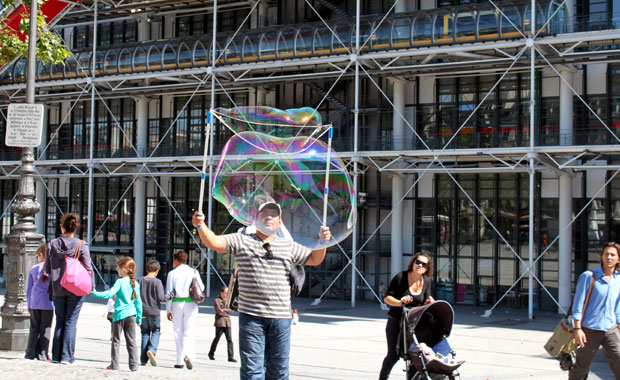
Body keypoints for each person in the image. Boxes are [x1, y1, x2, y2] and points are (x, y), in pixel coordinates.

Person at [192, 201, 331, 380]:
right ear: (256, 219)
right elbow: (214, 242)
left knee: (279, 370)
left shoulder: (287, 245)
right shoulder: (241, 240)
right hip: (251, 317)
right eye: (264, 213)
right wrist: (201, 225)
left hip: (281, 317)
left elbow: (313, 258)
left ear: (280, 222)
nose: (269, 216)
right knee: (251, 371)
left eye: (274, 214)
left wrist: (322, 242)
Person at [45, 213, 93, 364]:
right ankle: (67, 356)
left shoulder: (52, 244)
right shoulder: (81, 244)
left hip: (58, 287)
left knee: (60, 320)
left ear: (61, 226)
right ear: (76, 227)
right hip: (76, 287)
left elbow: (47, 268)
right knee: (71, 321)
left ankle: (56, 356)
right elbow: (88, 267)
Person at [379, 253, 435, 380]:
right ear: (413, 263)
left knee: (414, 355)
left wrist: (430, 301)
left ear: (427, 268)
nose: (419, 265)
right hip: (396, 320)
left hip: (413, 324)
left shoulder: (425, 281)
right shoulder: (401, 277)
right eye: (417, 262)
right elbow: (387, 298)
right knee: (393, 355)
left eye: (423, 264)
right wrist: (400, 302)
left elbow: (426, 299)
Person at [569, 241, 620, 380]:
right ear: (602, 257)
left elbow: (617, 307)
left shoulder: (618, 280)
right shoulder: (589, 276)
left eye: (612, 255)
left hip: (610, 329)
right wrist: (577, 329)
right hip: (589, 330)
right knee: (581, 368)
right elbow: (578, 305)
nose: (609, 257)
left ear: (618, 259)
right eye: (606, 254)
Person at [91, 257, 142, 371]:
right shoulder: (135, 284)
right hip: (131, 314)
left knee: (116, 341)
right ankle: (134, 365)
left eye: (118, 268)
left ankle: (114, 364)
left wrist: (93, 293)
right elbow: (138, 302)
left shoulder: (120, 282)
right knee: (131, 341)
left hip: (119, 314)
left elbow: (109, 293)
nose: (117, 270)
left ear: (124, 269)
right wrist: (139, 318)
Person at [166, 250, 204, 370]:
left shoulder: (172, 273)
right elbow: (201, 287)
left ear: (176, 260)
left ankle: (179, 360)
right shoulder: (194, 271)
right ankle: (189, 355)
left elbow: (169, 292)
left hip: (177, 302)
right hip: (191, 303)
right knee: (189, 330)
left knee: (178, 331)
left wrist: (168, 310)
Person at [138, 259, 174, 366]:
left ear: (146, 269)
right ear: (157, 271)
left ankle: (143, 359)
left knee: (144, 333)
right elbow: (161, 298)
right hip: (154, 312)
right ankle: (152, 350)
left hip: (142, 311)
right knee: (156, 331)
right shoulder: (157, 282)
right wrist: (171, 295)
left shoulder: (140, 281)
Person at [25, 243, 54, 361]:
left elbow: (29, 290)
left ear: (41, 255)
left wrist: (29, 304)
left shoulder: (33, 269)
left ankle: (30, 353)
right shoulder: (52, 270)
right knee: (45, 328)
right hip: (48, 303)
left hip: (35, 302)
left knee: (33, 328)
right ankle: (43, 353)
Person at [208, 286, 236, 362]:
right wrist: (226, 311)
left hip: (227, 322)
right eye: (226, 293)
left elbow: (232, 309)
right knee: (217, 339)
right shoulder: (217, 300)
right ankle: (211, 353)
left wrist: (224, 310)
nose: (227, 295)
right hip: (220, 322)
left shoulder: (229, 300)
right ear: (222, 292)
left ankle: (230, 356)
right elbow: (219, 311)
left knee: (229, 340)